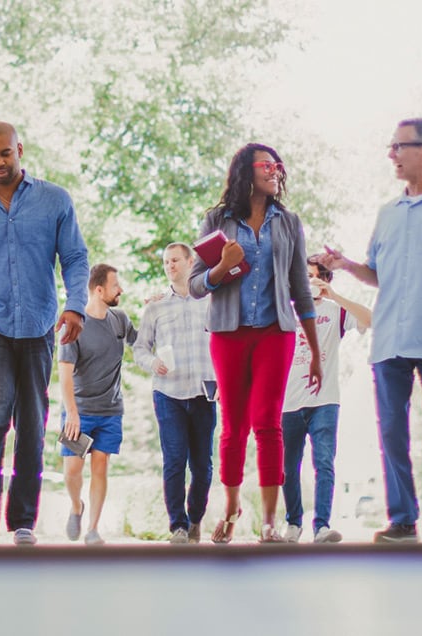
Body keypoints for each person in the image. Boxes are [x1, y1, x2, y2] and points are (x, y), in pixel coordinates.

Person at [314, 118, 422, 543]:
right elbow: (377, 274)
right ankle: (403, 520)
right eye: (390, 147)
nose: (391, 154)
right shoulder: (386, 213)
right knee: (391, 429)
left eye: (399, 146)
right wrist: (347, 266)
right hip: (390, 335)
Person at [0, 122, 89, 546]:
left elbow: (75, 257)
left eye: (4, 154)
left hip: (37, 327)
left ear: (20, 151)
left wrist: (75, 306)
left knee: (31, 421)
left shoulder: (54, 201)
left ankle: (24, 518)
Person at [188, 143, 322, 544]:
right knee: (233, 426)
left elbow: (300, 288)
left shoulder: (288, 222)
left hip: (275, 332)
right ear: (247, 171)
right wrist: (221, 268)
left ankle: (268, 521)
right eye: (268, 165)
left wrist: (314, 351)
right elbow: (195, 286)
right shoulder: (217, 220)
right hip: (228, 333)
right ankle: (230, 508)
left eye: (279, 166)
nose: (275, 172)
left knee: (268, 423)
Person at [281, 258, 372, 543]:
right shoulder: (284, 312)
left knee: (324, 462)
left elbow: (370, 319)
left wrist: (335, 296)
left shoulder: (335, 312)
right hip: (287, 402)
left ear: (325, 281)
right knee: (288, 467)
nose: (306, 282)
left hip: (324, 400)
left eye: (313, 277)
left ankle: (321, 526)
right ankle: (293, 524)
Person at [134, 243, 217, 544]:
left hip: (204, 392)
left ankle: (195, 518)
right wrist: (152, 362)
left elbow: (226, 340)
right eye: (166, 262)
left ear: (190, 262)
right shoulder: (155, 306)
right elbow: (139, 348)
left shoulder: (211, 302)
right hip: (168, 394)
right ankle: (177, 526)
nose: (170, 266)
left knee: (203, 466)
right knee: (174, 461)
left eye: (175, 260)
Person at [59, 264, 137, 545]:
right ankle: (76, 507)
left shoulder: (120, 319)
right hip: (79, 412)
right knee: (72, 471)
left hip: (110, 411)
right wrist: (72, 413)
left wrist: (156, 309)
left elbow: (141, 344)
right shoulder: (74, 325)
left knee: (100, 467)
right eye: (116, 285)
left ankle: (92, 529)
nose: (121, 290)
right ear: (99, 289)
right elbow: (64, 374)